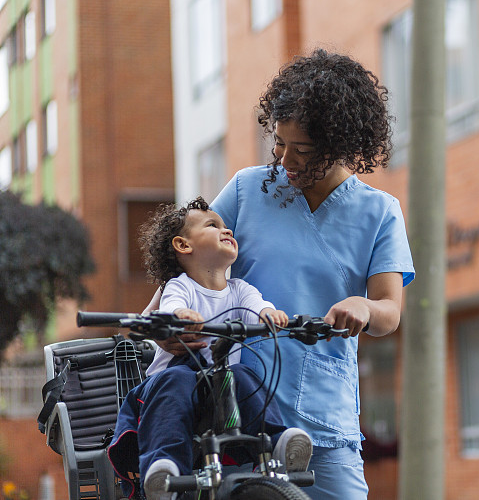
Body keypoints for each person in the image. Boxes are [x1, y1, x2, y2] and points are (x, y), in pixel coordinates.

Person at [210, 49, 416, 499]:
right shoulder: (247, 189)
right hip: (237, 410)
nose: (285, 160)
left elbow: (389, 312)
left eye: (301, 150)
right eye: (279, 144)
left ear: (340, 144)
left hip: (323, 415)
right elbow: (188, 258)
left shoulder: (379, 213)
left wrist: (364, 305)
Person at [107, 197, 313, 500]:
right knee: (175, 380)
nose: (226, 230)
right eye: (213, 225)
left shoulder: (240, 289)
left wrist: (268, 314)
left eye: (226, 226)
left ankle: (278, 443)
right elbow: (171, 307)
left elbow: (258, 306)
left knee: (243, 375)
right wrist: (179, 316)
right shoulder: (181, 286)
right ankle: (163, 467)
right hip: (172, 385)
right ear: (183, 245)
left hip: (217, 387)